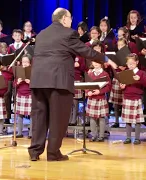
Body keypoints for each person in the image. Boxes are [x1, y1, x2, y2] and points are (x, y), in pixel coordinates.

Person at [28, 7, 117, 161]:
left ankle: (34, 152)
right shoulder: (68, 34)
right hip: (58, 81)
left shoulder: (41, 34)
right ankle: (53, 153)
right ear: (63, 19)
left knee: (39, 117)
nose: (71, 21)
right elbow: (86, 51)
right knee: (58, 118)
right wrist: (107, 59)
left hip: (38, 81)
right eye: (70, 18)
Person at [120, 54, 146, 145]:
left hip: (136, 98)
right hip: (127, 97)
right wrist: (122, 86)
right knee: (128, 120)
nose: (131, 65)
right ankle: (128, 137)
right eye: (129, 64)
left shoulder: (141, 73)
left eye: (132, 63)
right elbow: (122, 84)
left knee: (137, 120)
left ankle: (137, 138)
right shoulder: (126, 72)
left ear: (137, 62)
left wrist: (139, 79)